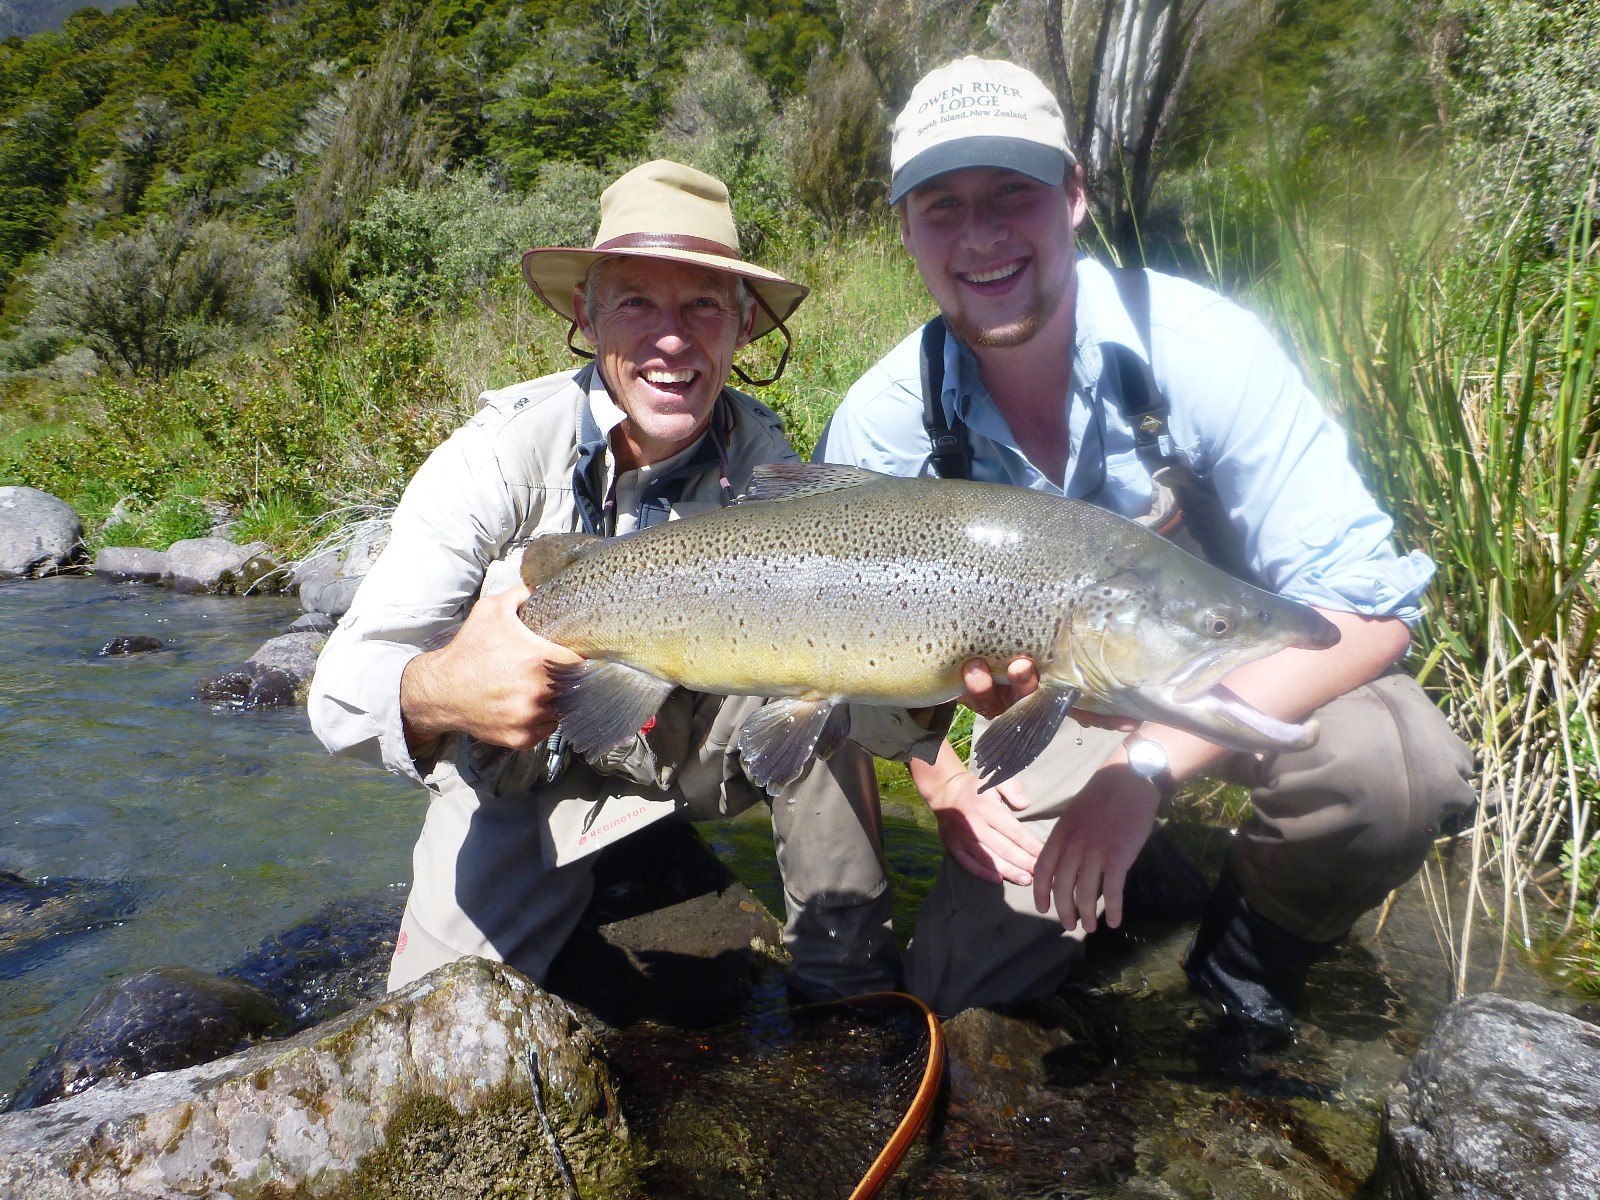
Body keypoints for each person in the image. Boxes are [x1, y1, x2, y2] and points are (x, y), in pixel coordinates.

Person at [817, 57, 1477, 1029]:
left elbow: (1367, 612)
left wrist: (1145, 772)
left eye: (1013, 193)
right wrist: (943, 779)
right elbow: (843, 643)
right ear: (905, 229)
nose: (983, 236)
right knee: (955, 1004)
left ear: (1073, 196)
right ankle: (1157, 878)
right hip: (1057, 707)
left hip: (1226, 669)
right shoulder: (881, 422)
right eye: (943, 206)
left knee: (1394, 770)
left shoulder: (1204, 350)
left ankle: (1246, 964)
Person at [308, 160, 944, 1001]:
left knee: (823, 677)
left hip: (688, 753)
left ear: (744, 324)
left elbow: (862, 701)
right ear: (587, 311)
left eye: (703, 305)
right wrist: (440, 691)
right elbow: (339, 698)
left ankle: (853, 989)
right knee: (439, 1020)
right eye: (637, 301)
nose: (671, 337)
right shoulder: (496, 457)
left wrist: (932, 709)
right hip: (523, 779)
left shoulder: (765, 459)